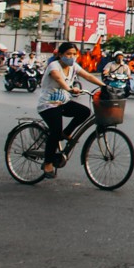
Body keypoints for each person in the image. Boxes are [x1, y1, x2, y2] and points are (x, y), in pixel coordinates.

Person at [36, 42, 107, 179]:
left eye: (74, 54)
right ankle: (48, 163)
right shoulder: (54, 66)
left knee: (85, 112)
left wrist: (104, 86)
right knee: (55, 131)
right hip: (48, 105)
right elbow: (58, 78)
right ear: (60, 55)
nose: (72, 57)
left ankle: (66, 133)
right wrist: (68, 88)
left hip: (63, 102)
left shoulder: (73, 66)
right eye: (68, 54)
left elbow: (88, 76)